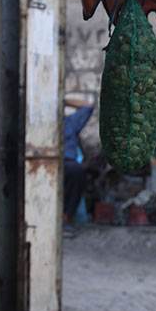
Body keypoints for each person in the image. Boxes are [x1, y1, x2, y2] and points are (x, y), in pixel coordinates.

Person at [63, 98, 93, 238]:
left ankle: (67, 218)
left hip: (67, 162)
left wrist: (63, 101)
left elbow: (88, 106)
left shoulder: (69, 122)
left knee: (76, 171)